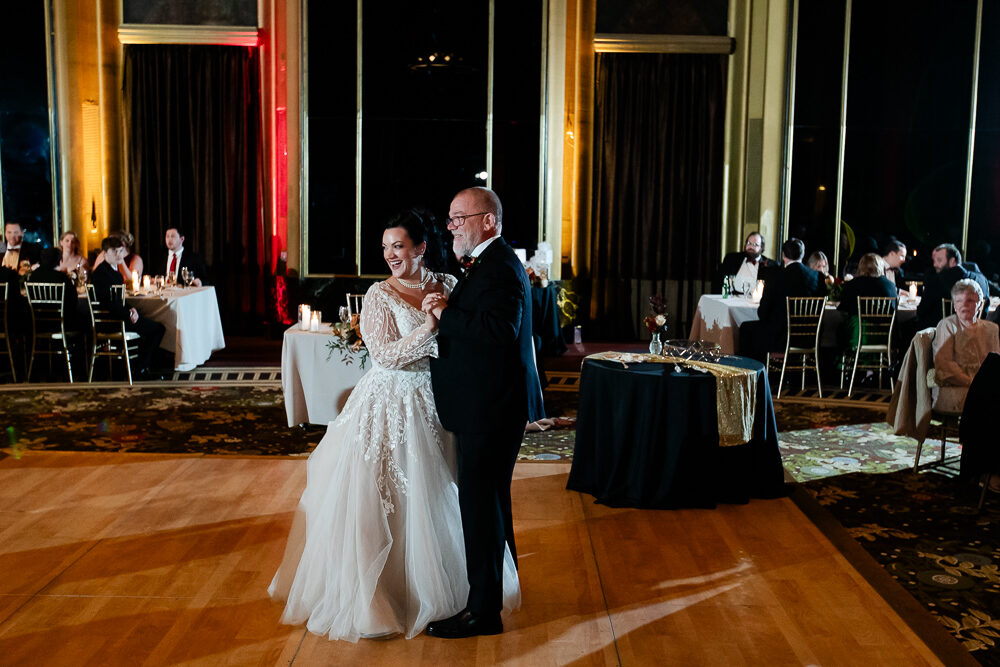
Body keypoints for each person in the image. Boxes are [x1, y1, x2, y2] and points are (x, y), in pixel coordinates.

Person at [268, 209, 519, 641]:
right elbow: (384, 355)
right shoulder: (378, 295)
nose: (390, 255)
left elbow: (472, 336)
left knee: (443, 496)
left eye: (398, 246)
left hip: (442, 400)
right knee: (387, 496)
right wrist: (429, 326)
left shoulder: (451, 283)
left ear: (421, 248)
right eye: (385, 247)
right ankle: (382, 598)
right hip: (389, 401)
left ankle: (457, 592)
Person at [421, 187, 543, 639]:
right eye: (450, 219)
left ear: (487, 221)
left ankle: (483, 612)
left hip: (490, 411)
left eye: (459, 218)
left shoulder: (499, 267)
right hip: (489, 406)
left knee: (480, 507)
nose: (451, 226)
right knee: (490, 505)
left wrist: (445, 314)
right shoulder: (490, 264)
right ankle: (498, 591)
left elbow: (499, 330)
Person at [738, 238, 826, 363]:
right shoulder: (818, 277)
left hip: (781, 338)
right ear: (803, 254)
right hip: (809, 337)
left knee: (746, 328)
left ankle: (754, 374)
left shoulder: (775, 276)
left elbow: (762, 313)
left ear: (784, 256)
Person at [91, 235, 165, 377]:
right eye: (114, 252)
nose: (119, 255)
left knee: (151, 324)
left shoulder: (114, 272)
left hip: (118, 316)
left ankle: (139, 367)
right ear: (105, 254)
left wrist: (132, 309)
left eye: (120, 251)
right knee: (157, 329)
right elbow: (109, 304)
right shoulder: (101, 274)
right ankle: (140, 370)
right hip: (111, 322)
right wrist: (129, 314)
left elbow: (118, 301)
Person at [931, 279, 1000, 414]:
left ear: (980, 304)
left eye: (970, 301)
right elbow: (945, 366)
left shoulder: (991, 329)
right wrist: (974, 383)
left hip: (985, 386)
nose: (964, 305)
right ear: (954, 305)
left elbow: (996, 363)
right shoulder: (947, 326)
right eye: (958, 301)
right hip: (957, 385)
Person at [916, 243, 990, 330]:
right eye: (934, 261)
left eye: (939, 260)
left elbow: (921, 311)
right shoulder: (982, 281)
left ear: (952, 261)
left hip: (941, 338)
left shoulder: (936, 281)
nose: (935, 265)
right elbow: (985, 313)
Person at [837, 252, 897, 348]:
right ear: (880, 267)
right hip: (885, 337)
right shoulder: (890, 286)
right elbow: (894, 311)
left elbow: (843, 309)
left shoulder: (852, 285)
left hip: (857, 336)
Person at [27, 247, 81, 333]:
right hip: (61, 323)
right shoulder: (61, 277)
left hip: (37, 322)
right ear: (58, 260)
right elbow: (73, 300)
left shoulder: (33, 276)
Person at [714, 232, 779, 294]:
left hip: (756, 302)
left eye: (755, 244)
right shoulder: (732, 259)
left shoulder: (770, 265)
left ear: (761, 248)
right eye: (748, 243)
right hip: (732, 299)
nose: (750, 247)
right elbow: (719, 282)